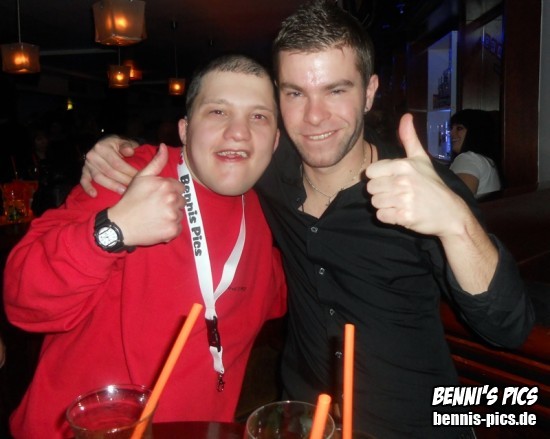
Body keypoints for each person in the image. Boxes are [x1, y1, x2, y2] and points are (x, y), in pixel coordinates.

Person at [80, 2, 534, 437]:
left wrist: (455, 223)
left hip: (414, 423)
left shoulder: (423, 188)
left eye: (336, 90)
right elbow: (206, 148)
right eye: (295, 93)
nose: (314, 116)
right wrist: (120, 151)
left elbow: (508, 327)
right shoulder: (267, 170)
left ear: (369, 91)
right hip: (302, 417)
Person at [3, 55, 286, 438]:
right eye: (218, 111)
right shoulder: (127, 175)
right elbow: (23, 300)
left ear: (276, 139)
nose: (239, 132)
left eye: (259, 116)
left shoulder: (267, 214)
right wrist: (114, 228)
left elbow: (277, 295)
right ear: (184, 129)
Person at [449, 109, 502, 198]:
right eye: (451, 128)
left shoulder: (468, 159)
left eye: (459, 128)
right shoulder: (484, 160)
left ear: (474, 132)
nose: (451, 133)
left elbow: (459, 201)